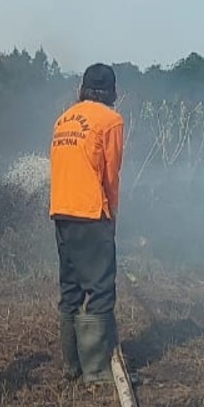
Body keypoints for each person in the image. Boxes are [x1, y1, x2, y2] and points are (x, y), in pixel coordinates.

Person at [49, 63, 124, 385]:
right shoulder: (110, 120)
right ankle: (96, 371)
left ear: (82, 88)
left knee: (70, 288)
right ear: (111, 91)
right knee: (100, 289)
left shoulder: (63, 119)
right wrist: (112, 217)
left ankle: (71, 365)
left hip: (61, 210)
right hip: (91, 213)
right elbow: (111, 174)